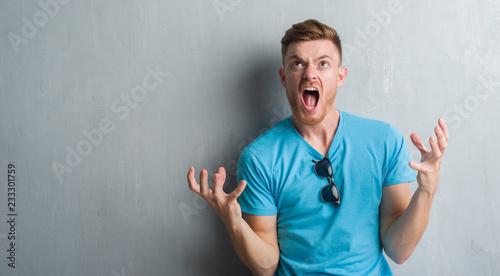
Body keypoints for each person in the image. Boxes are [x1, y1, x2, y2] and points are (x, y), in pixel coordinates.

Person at [187, 19, 449, 276]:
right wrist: (234, 223)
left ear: (340, 76)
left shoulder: (384, 140)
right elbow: (265, 268)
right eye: (297, 63)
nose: (309, 73)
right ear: (283, 77)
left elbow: (399, 250)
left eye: (323, 64)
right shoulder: (259, 158)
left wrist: (426, 191)